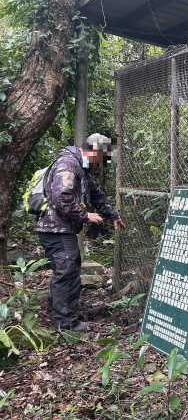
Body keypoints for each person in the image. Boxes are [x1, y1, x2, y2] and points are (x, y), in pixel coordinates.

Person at [35, 134, 125, 331]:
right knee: (67, 270)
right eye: (102, 158)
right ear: (93, 151)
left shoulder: (81, 168)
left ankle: (56, 308)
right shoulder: (68, 164)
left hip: (59, 228)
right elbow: (61, 196)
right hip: (55, 228)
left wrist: (113, 215)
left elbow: (96, 194)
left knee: (68, 267)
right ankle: (65, 322)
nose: (102, 163)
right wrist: (86, 216)